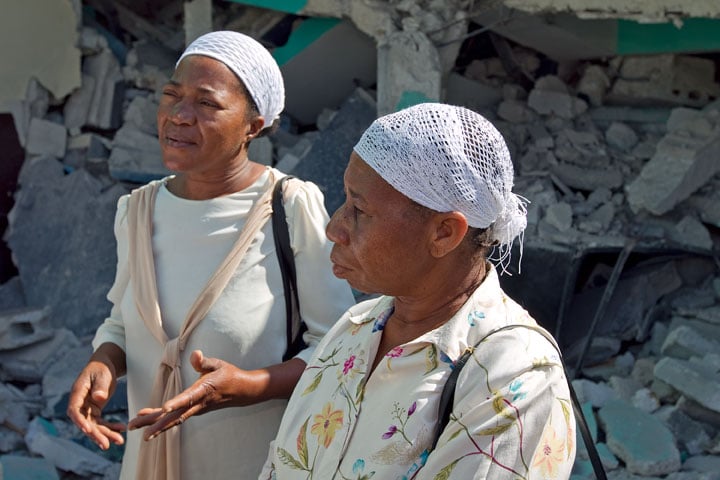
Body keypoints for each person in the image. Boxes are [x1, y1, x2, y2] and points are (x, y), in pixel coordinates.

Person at [66, 30, 356, 480]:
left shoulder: (287, 207)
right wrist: (103, 362)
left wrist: (251, 387)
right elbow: (122, 323)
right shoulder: (137, 211)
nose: (180, 116)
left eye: (207, 104)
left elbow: (340, 350)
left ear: (253, 126)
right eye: (171, 96)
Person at [260, 103, 576, 479]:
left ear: (445, 233)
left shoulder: (514, 375)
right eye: (345, 200)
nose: (335, 228)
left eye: (359, 210)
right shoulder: (356, 327)